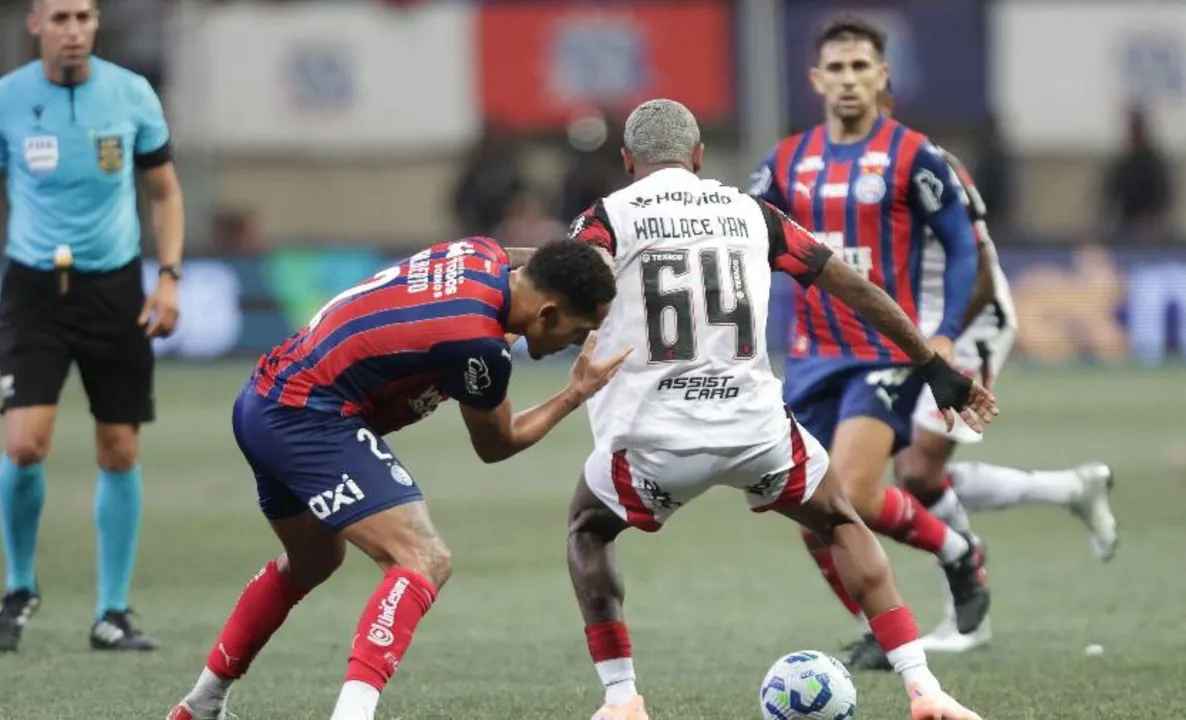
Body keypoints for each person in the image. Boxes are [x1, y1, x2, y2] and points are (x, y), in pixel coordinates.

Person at [557, 98, 993, 720]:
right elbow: (855, 287)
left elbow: (571, 286)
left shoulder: (605, 220)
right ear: (700, 155)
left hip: (653, 441)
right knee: (841, 521)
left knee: (587, 529)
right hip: (756, 432)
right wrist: (931, 364)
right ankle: (924, 688)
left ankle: (622, 698)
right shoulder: (752, 214)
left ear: (628, 162)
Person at [168, 237, 628, 720]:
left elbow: (526, 258)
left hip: (263, 399)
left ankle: (201, 704)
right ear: (548, 313)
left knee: (314, 560)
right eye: (580, 331)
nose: (578, 343)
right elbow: (498, 444)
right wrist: (575, 394)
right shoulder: (479, 346)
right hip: (308, 418)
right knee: (424, 558)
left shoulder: (478, 253)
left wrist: (583, 259)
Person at [748, 16, 990, 665]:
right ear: (816, 79)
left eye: (861, 67)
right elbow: (741, 238)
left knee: (850, 492)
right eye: (837, 67)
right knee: (810, 519)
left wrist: (939, 336)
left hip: (884, 354)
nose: (849, 80)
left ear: (883, 77)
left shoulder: (913, 154)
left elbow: (961, 244)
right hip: (808, 360)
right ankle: (887, 633)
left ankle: (958, 551)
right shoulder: (783, 163)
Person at [877, 83, 1118, 661]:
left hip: (966, 325)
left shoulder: (932, 168)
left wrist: (945, 345)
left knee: (916, 474)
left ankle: (967, 615)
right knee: (913, 477)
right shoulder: (838, 176)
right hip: (913, 331)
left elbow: (980, 269)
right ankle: (1070, 487)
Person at [0, 0, 185, 651]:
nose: (72, 31)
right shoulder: (8, 99)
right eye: (59, 19)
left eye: (82, 16)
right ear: (35, 25)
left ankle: (112, 612)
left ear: (96, 21)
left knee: (120, 449)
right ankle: (18, 591)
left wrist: (168, 276)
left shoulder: (131, 94)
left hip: (114, 289)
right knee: (23, 444)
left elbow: (164, 191)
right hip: (33, 290)